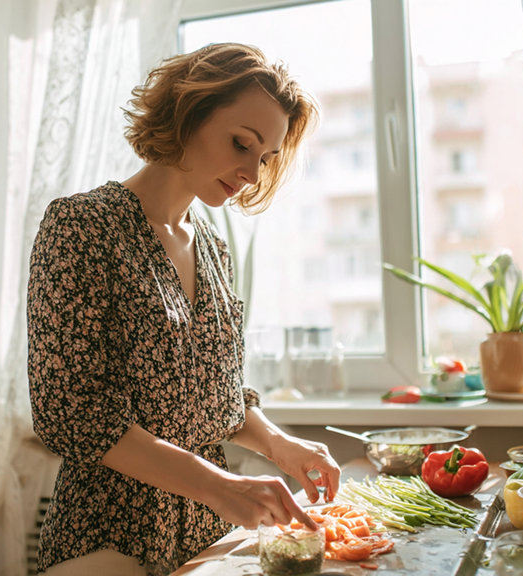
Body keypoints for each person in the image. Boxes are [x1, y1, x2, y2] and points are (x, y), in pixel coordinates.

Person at [27, 43, 340, 576]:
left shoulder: (215, 250)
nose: (250, 172)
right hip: (108, 542)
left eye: (263, 158)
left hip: (205, 540)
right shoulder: (80, 227)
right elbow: (72, 415)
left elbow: (214, 397)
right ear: (186, 113)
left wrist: (280, 444)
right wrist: (219, 485)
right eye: (241, 143)